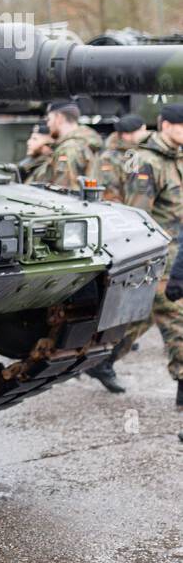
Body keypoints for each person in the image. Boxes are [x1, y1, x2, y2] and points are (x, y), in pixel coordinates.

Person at [106, 102, 183, 404]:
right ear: (166, 125)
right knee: (175, 317)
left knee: (141, 319)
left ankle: (101, 358)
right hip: (159, 257)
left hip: (178, 256)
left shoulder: (176, 158)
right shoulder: (146, 161)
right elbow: (139, 218)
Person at [26, 100, 102, 190]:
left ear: (59, 118)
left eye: (49, 119)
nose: (48, 124)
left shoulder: (69, 148)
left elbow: (63, 194)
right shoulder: (84, 144)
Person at [96, 114, 149, 202]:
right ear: (125, 135)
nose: (144, 133)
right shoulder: (110, 158)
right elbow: (111, 192)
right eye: (140, 130)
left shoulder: (147, 151)